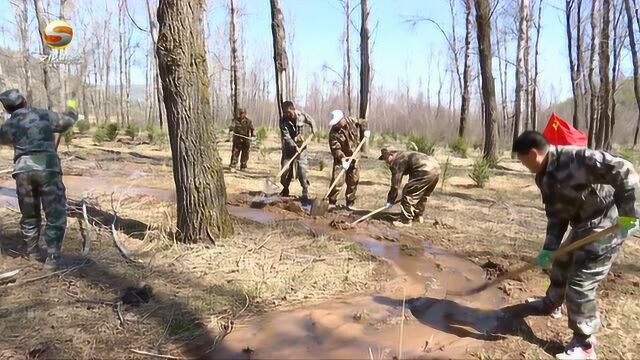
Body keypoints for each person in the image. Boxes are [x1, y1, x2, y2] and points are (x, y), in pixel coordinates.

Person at [512, 130, 640, 360]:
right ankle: (552, 303)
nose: (523, 165)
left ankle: (584, 344)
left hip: (608, 223)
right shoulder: (543, 176)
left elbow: (624, 169)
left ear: (533, 154)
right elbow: (556, 216)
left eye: (522, 161)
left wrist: (630, 213)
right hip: (583, 225)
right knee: (561, 261)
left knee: (581, 281)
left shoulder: (577, 159)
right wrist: (549, 249)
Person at [0, 89, 78, 270]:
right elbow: (67, 122)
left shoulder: (9, 124)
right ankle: (52, 258)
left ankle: (33, 253)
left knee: (29, 215)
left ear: (8, 109)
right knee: (55, 213)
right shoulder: (42, 115)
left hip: (22, 173)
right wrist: (72, 108)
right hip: (48, 170)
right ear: (24, 101)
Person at [378, 147, 440, 227]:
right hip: (436, 168)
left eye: (385, 158)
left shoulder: (397, 161)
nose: (386, 162)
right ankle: (417, 216)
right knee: (422, 194)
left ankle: (405, 220)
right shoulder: (405, 155)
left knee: (409, 194)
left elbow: (395, 184)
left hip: (424, 170)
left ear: (391, 154)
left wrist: (390, 200)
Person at [327, 109, 370, 211]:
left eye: (338, 122)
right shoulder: (333, 133)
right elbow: (335, 149)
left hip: (355, 156)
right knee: (337, 181)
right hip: (341, 158)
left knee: (353, 181)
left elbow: (364, 122)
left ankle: (350, 203)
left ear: (343, 119)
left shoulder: (352, 120)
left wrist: (366, 130)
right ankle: (332, 202)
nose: (337, 124)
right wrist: (342, 159)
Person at [279, 101, 316, 199]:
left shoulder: (301, 116)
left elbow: (311, 120)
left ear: (293, 109)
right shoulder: (283, 120)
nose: (287, 114)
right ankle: (285, 188)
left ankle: (305, 191)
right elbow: (286, 136)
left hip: (302, 148)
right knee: (285, 170)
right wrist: (294, 146)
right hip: (289, 148)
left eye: (288, 112)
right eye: (285, 113)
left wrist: (314, 129)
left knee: (302, 170)